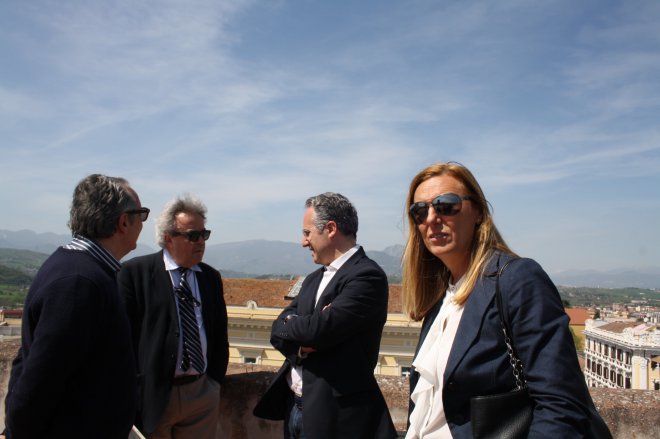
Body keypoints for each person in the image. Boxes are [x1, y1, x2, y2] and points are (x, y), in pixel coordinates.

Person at [403, 162, 611, 438]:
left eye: (446, 205)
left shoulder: (517, 279)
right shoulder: (441, 298)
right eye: (420, 211)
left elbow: (560, 405)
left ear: (477, 212)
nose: (431, 218)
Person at [2, 174, 146, 439]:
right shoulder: (80, 283)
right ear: (124, 221)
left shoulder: (78, 267)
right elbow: (39, 382)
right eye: (142, 215)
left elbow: (29, 356)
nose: (143, 224)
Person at [253, 192, 397, 439]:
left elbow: (317, 331)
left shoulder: (367, 277)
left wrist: (300, 326)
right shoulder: (312, 279)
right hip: (294, 407)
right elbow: (277, 330)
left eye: (307, 233)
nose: (303, 242)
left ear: (330, 229)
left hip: (335, 415)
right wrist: (302, 340)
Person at [118, 194, 229, 439]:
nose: (201, 241)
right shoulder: (135, 274)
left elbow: (219, 333)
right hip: (154, 396)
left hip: (201, 394)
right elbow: (122, 340)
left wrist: (214, 383)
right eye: (192, 235)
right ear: (168, 238)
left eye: (204, 234)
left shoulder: (210, 278)